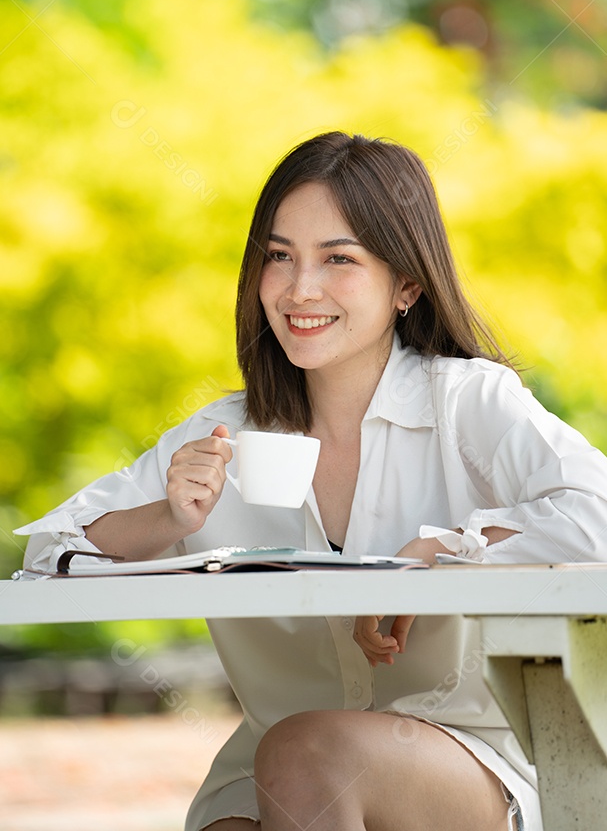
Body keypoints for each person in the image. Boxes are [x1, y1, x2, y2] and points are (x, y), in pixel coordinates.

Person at [16, 131, 607, 831]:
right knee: (266, 788)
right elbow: (48, 553)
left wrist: (433, 554)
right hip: (266, 776)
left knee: (306, 753)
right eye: (278, 256)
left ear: (406, 285)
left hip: (468, 763)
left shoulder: (467, 403)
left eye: (338, 259)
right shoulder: (223, 434)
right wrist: (169, 519)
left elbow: (594, 511)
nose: (299, 289)